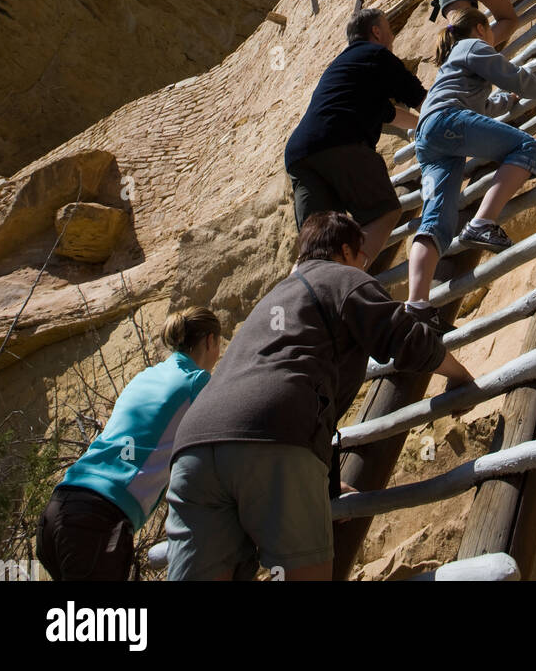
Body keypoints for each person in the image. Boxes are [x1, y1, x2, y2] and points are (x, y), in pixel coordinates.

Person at [165, 211, 471, 582]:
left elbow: (285, 370)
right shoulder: (343, 278)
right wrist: (460, 375)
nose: (365, 266)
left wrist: (322, 483)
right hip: (274, 434)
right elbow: (404, 336)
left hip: (193, 449)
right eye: (363, 257)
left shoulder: (273, 300)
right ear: (344, 250)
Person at [405, 8, 536, 325]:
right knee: (525, 146)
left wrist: (506, 103)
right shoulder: (473, 46)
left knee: (435, 220)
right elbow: (515, 77)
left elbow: (482, 105)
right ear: (482, 28)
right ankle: (482, 222)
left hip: (428, 140)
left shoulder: (450, 67)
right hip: (447, 123)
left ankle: (416, 303)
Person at [36, 307, 221, 582]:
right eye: (221, 342)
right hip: (96, 521)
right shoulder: (196, 381)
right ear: (210, 341)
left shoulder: (145, 376)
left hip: (58, 511)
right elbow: (223, 437)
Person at [285, 7, 425, 263]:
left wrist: (419, 125)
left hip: (299, 155)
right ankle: (346, 280)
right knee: (384, 211)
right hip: (339, 140)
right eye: (389, 30)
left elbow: (388, 113)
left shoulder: (344, 69)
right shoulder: (377, 54)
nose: (392, 37)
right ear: (376, 31)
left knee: (316, 245)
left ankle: (307, 293)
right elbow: (420, 99)